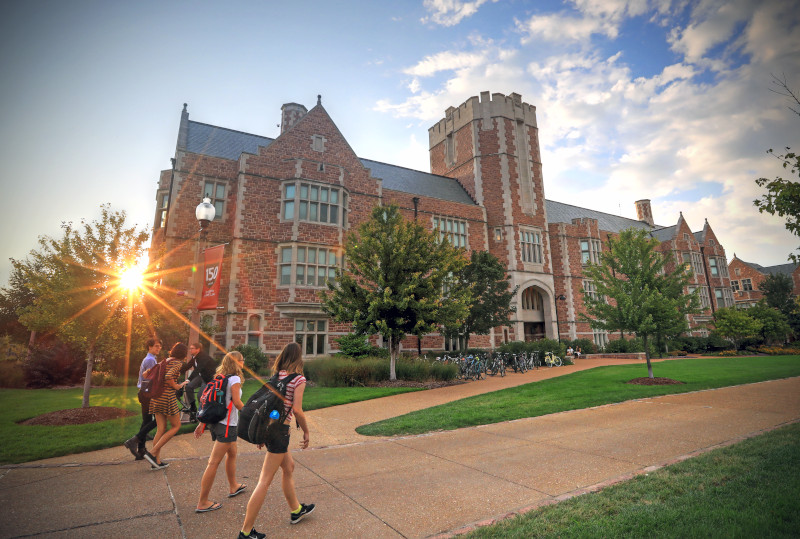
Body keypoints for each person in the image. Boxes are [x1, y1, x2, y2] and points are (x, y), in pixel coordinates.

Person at [238, 342, 315, 539]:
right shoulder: (298, 380)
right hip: (280, 433)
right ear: (299, 358)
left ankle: (296, 510)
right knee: (264, 481)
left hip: (273, 430)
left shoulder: (276, 377)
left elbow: (269, 408)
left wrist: (264, 432)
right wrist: (306, 432)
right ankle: (245, 532)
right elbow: (297, 410)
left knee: (288, 467)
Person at [193, 351, 246, 513]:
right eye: (242, 360)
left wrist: (202, 423)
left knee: (232, 453)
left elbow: (211, 401)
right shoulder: (235, 378)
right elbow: (237, 402)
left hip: (216, 423)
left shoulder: (220, 377)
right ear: (237, 362)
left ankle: (233, 486)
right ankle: (202, 502)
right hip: (227, 425)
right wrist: (251, 414)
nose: (243, 363)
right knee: (213, 463)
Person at [143, 342, 189, 469]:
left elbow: (145, 374)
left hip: (156, 397)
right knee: (176, 426)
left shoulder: (165, 361)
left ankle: (156, 461)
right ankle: (152, 454)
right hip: (167, 397)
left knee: (161, 429)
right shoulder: (177, 363)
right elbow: (169, 376)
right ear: (183, 354)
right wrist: (177, 386)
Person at [123, 338, 161, 460]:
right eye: (156, 346)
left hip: (144, 394)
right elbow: (153, 380)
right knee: (159, 420)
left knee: (146, 421)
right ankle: (134, 440)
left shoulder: (150, 359)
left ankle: (141, 450)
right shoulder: (150, 360)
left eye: (159, 346)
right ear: (149, 347)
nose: (158, 348)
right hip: (147, 394)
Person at [180, 342, 217, 422]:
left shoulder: (203, 357)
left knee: (200, 395)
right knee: (189, 387)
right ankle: (193, 408)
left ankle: (203, 414)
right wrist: (177, 371)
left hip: (209, 379)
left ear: (198, 349)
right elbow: (186, 367)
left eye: (192, 348)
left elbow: (198, 369)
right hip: (201, 376)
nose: (190, 350)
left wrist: (188, 379)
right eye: (190, 348)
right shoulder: (194, 357)